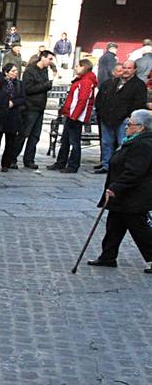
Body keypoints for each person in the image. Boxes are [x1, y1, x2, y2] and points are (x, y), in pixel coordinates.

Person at [87, 109, 152, 270]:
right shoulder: (133, 140)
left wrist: (116, 187)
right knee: (114, 226)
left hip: (134, 196)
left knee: (140, 229)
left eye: (129, 124)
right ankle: (108, 256)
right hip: (124, 195)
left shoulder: (143, 144)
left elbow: (135, 171)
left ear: (141, 127)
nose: (126, 127)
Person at [95, 60, 148, 174]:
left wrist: (129, 117)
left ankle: (120, 167)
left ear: (134, 70)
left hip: (125, 120)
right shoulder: (112, 82)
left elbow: (139, 103)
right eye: (124, 68)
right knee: (106, 143)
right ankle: (106, 165)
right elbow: (100, 99)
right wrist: (101, 112)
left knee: (123, 144)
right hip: (107, 118)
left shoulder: (139, 85)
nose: (126, 71)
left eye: (129, 68)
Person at [51, 59, 99, 174]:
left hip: (76, 116)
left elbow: (82, 100)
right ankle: (61, 162)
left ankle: (73, 165)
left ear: (84, 67)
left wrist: (75, 116)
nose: (75, 68)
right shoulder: (82, 80)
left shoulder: (86, 81)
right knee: (66, 140)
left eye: (77, 66)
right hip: (71, 114)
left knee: (74, 141)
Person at [20, 50, 56, 168]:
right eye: (50, 59)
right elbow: (28, 89)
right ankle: (12, 158)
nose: (51, 62)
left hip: (40, 107)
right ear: (42, 58)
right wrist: (47, 85)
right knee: (23, 134)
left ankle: (29, 159)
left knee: (35, 136)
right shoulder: (30, 71)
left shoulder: (46, 71)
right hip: (30, 107)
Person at [0, 63, 28, 171]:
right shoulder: (1, 83)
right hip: (1, 115)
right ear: (6, 72)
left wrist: (13, 103)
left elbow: (23, 98)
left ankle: (6, 163)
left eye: (16, 71)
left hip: (13, 115)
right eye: (13, 71)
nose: (15, 73)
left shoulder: (19, 84)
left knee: (10, 141)